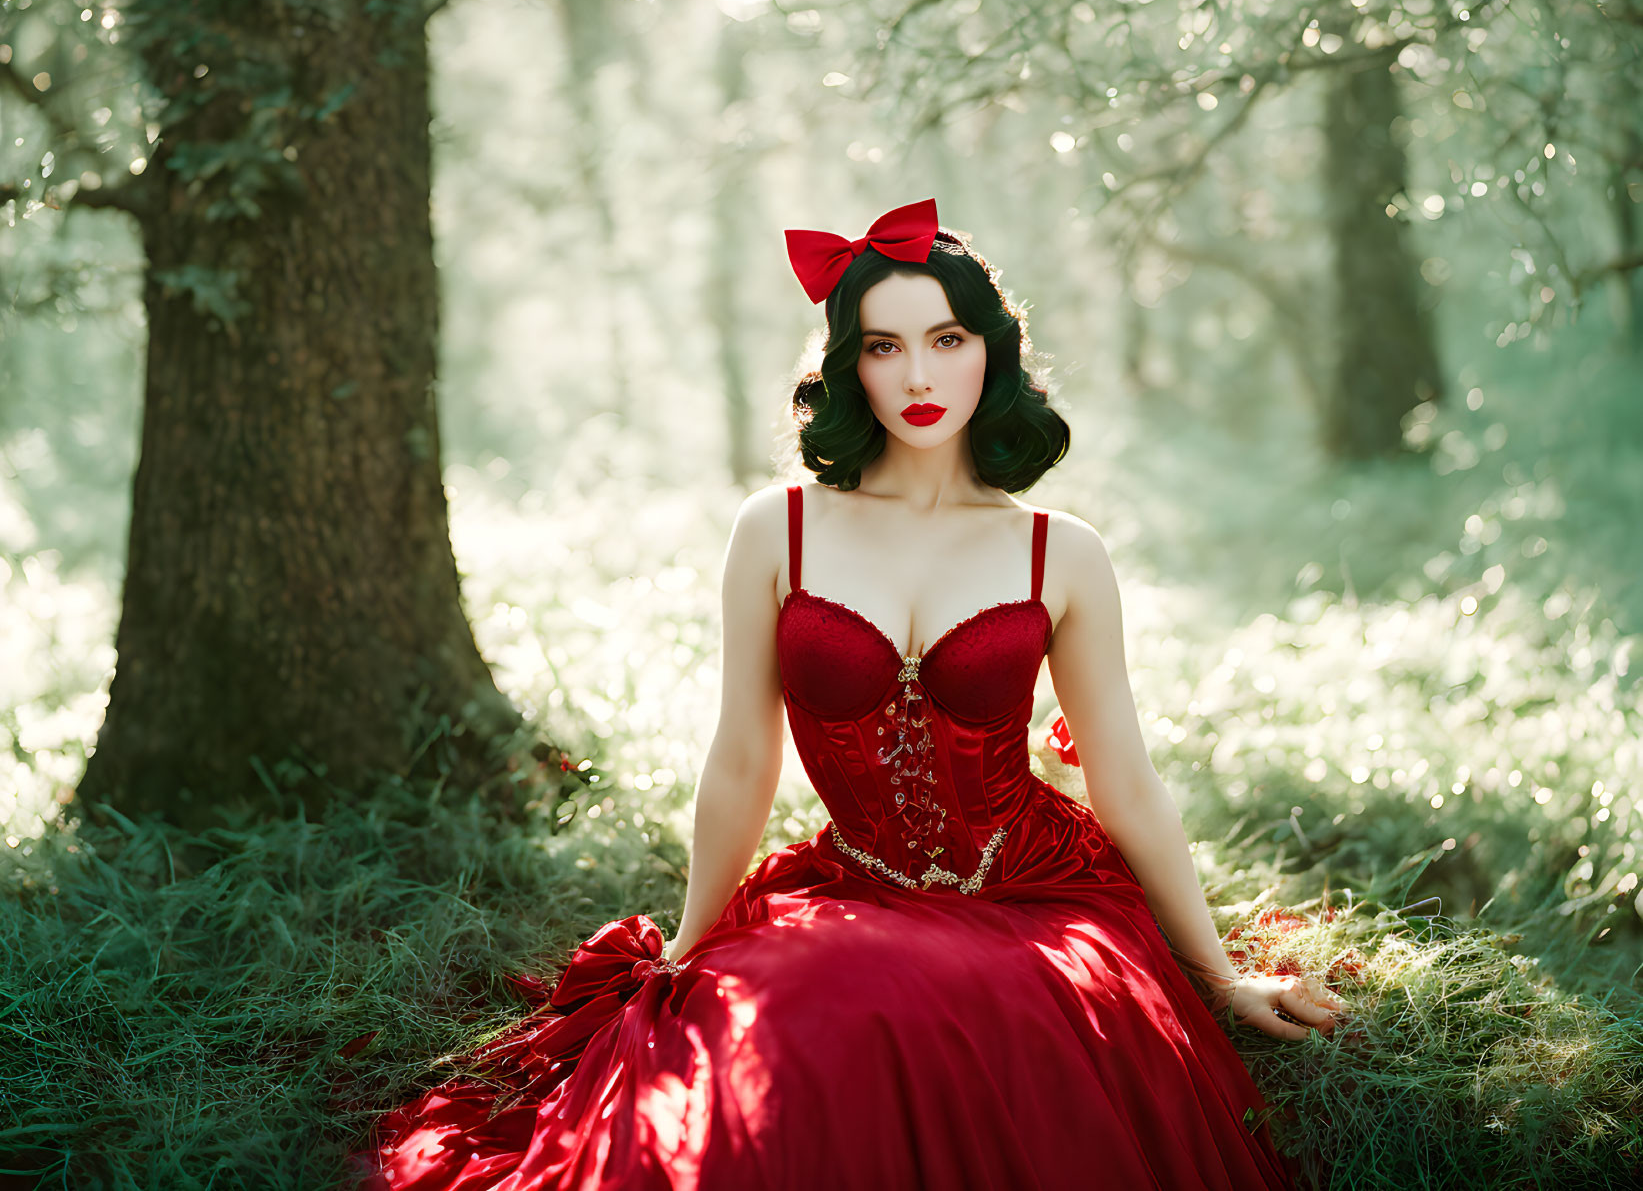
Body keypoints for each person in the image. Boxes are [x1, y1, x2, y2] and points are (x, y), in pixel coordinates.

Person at [356, 197, 1345, 1190]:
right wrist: (690, 941)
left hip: (1038, 897)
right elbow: (742, 756)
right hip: (851, 888)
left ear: (990, 354)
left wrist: (1216, 974)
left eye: (945, 340)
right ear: (848, 363)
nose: (917, 376)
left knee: (941, 997)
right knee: (799, 1006)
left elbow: (1124, 782)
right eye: (883, 347)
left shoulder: (1059, 552)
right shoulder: (775, 530)